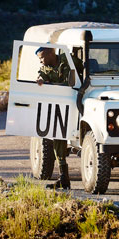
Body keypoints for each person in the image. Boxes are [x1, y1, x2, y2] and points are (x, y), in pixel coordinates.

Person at [35, 46, 83, 189]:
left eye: (42, 57)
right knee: (58, 138)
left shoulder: (68, 60)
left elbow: (83, 69)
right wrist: (40, 80)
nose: (41, 61)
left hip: (77, 102)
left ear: (51, 53)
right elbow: (41, 75)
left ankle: (64, 178)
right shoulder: (45, 68)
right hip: (60, 106)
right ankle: (64, 177)